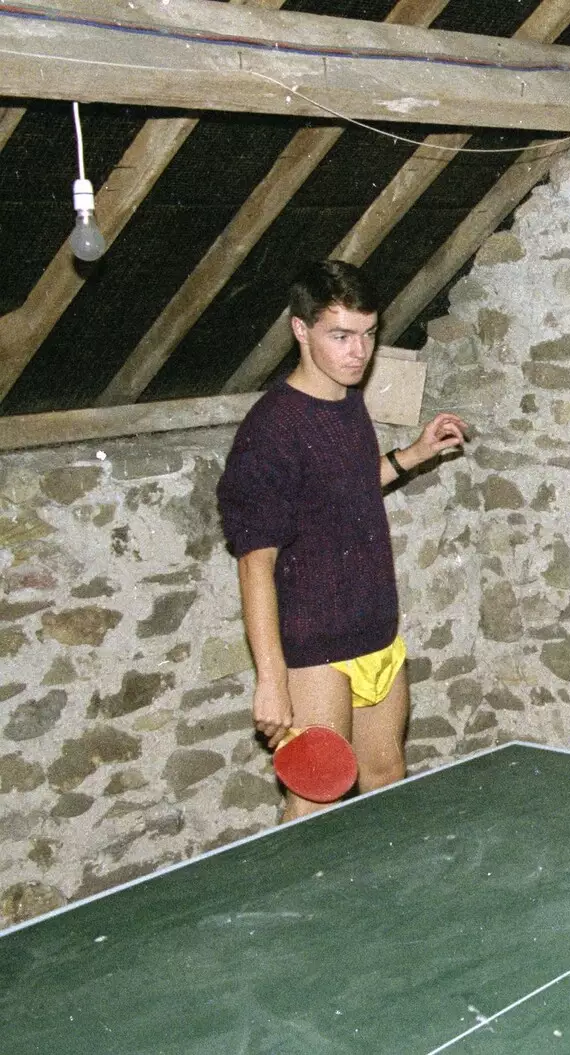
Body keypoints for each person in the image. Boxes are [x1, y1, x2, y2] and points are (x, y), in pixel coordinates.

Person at [217, 260, 468, 821]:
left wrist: (412, 457)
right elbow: (256, 566)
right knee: (314, 798)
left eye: (368, 334)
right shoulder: (271, 431)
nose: (358, 351)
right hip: (314, 647)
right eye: (341, 336)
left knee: (386, 778)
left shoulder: (346, 400)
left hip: (375, 631)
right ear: (301, 331)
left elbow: (341, 487)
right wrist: (271, 682)